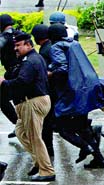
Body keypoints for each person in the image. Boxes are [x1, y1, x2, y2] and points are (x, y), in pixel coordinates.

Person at [48, 23, 104, 169]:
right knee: (83, 128)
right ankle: (99, 159)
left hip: (73, 92)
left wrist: (50, 72)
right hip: (87, 88)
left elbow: (62, 68)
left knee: (62, 128)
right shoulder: (74, 43)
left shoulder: (55, 47)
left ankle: (85, 147)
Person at [0, 32, 55, 181]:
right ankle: (39, 161)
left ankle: (47, 171)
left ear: (28, 45)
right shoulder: (29, 59)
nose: (16, 49)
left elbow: (22, 83)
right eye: (15, 46)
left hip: (32, 102)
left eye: (18, 45)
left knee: (35, 137)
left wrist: (3, 83)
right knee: (20, 132)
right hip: (31, 102)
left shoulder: (31, 61)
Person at [31, 24, 54, 157]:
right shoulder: (50, 46)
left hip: (51, 91)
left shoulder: (45, 51)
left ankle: (48, 150)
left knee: (48, 123)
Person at [0, 14, 19, 138]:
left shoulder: (4, 37)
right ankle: (20, 125)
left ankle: (19, 125)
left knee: (3, 99)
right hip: (23, 71)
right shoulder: (20, 34)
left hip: (13, 73)